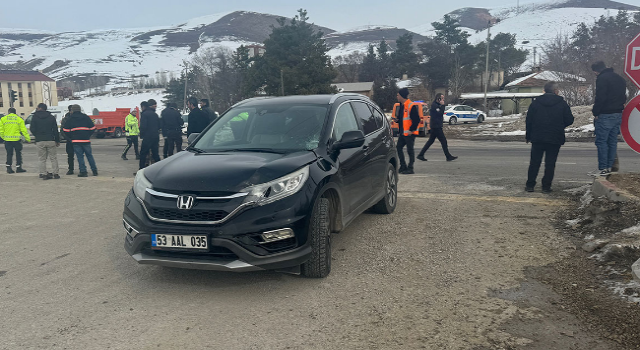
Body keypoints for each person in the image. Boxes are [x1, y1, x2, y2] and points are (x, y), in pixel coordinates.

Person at [525, 82, 575, 193]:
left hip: (537, 136)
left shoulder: (536, 103)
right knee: (550, 163)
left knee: (534, 162)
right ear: (555, 90)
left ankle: (530, 185)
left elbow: (529, 121)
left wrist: (528, 135)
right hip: (555, 137)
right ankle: (546, 187)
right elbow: (570, 119)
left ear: (544, 90)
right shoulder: (562, 103)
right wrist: (559, 125)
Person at [591, 61, 627, 176]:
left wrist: (596, 112)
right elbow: (624, 96)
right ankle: (610, 167)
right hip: (618, 113)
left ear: (596, 71)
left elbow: (600, 97)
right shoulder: (619, 79)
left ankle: (603, 168)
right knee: (612, 141)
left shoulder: (602, 79)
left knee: (601, 141)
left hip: (605, 114)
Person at [417, 93, 457, 162]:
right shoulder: (434, 105)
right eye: (442, 98)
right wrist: (443, 105)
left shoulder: (437, 105)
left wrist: (441, 105)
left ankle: (421, 155)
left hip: (436, 126)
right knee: (443, 141)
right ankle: (448, 156)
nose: (443, 99)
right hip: (436, 126)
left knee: (430, 141)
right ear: (438, 99)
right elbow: (440, 113)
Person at [63, 104, 98, 177]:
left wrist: (72, 136)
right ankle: (94, 171)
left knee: (80, 157)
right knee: (89, 156)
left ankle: (83, 171)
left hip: (76, 141)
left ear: (72, 110)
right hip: (86, 140)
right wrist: (88, 135)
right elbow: (93, 128)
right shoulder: (86, 117)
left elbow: (65, 130)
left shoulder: (70, 119)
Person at [30, 103, 60, 180]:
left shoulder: (35, 117)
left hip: (40, 140)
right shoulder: (51, 117)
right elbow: (55, 130)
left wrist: (37, 135)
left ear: (40, 108)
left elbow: (32, 128)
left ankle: (43, 173)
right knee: (53, 158)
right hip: (50, 139)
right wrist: (57, 140)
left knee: (42, 158)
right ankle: (56, 173)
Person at [394, 88, 421, 174]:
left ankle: (410, 168)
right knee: (398, 148)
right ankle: (403, 166)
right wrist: (397, 120)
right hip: (403, 132)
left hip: (409, 133)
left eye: (398, 95)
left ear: (402, 96)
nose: (397, 96)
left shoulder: (410, 105)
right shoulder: (401, 105)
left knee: (410, 150)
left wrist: (411, 130)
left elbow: (416, 119)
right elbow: (404, 118)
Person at [0, 107, 30, 173]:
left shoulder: (3, 119)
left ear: (8, 112)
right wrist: (28, 139)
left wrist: (3, 137)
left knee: (9, 154)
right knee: (18, 154)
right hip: (17, 140)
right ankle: (18, 167)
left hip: (7, 140)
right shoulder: (19, 119)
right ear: (15, 112)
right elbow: (24, 130)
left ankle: (9, 168)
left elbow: (1, 130)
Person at [138, 99, 161, 170]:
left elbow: (143, 126)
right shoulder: (155, 115)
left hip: (148, 137)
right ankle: (159, 169)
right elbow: (159, 125)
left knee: (143, 154)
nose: (155, 107)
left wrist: (142, 135)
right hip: (155, 136)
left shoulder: (144, 114)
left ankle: (141, 169)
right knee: (155, 154)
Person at [60, 105, 75, 175]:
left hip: (77, 140)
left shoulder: (77, 118)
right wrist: (68, 139)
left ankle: (82, 169)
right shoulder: (66, 119)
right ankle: (71, 169)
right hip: (70, 141)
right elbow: (62, 131)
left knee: (80, 155)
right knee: (70, 156)